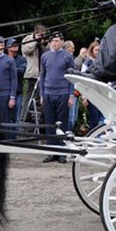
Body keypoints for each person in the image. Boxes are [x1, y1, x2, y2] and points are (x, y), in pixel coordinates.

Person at [39, 32, 75, 162]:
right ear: (49, 43)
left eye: (57, 40)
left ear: (62, 41)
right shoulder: (45, 56)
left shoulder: (67, 56)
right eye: (53, 41)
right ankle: (51, 151)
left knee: (62, 123)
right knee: (50, 123)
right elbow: (42, 75)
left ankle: (62, 152)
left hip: (63, 92)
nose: (55, 43)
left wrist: (71, 95)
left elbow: (72, 77)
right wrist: (41, 94)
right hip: (48, 92)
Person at [20, 23, 48, 125]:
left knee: (41, 98)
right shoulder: (28, 39)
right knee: (29, 96)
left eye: (43, 34)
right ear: (35, 33)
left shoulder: (43, 40)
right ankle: (24, 117)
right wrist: (35, 41)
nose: (42, 36)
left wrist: (44, 42)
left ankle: (39, 119)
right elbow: (25, 50)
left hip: (43, 73)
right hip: (33, 73)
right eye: (41, 34)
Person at [7, 38, 25, 131]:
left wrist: (8, 69)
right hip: (5, 92)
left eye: (16, 45)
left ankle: (15, 138)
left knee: (16, 117)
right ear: (8, 47)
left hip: (17, 92)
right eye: (13, 45)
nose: (15, 47)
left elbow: (21, 71)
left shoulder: (22, 59)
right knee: (5, 117)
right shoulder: (4, 58)